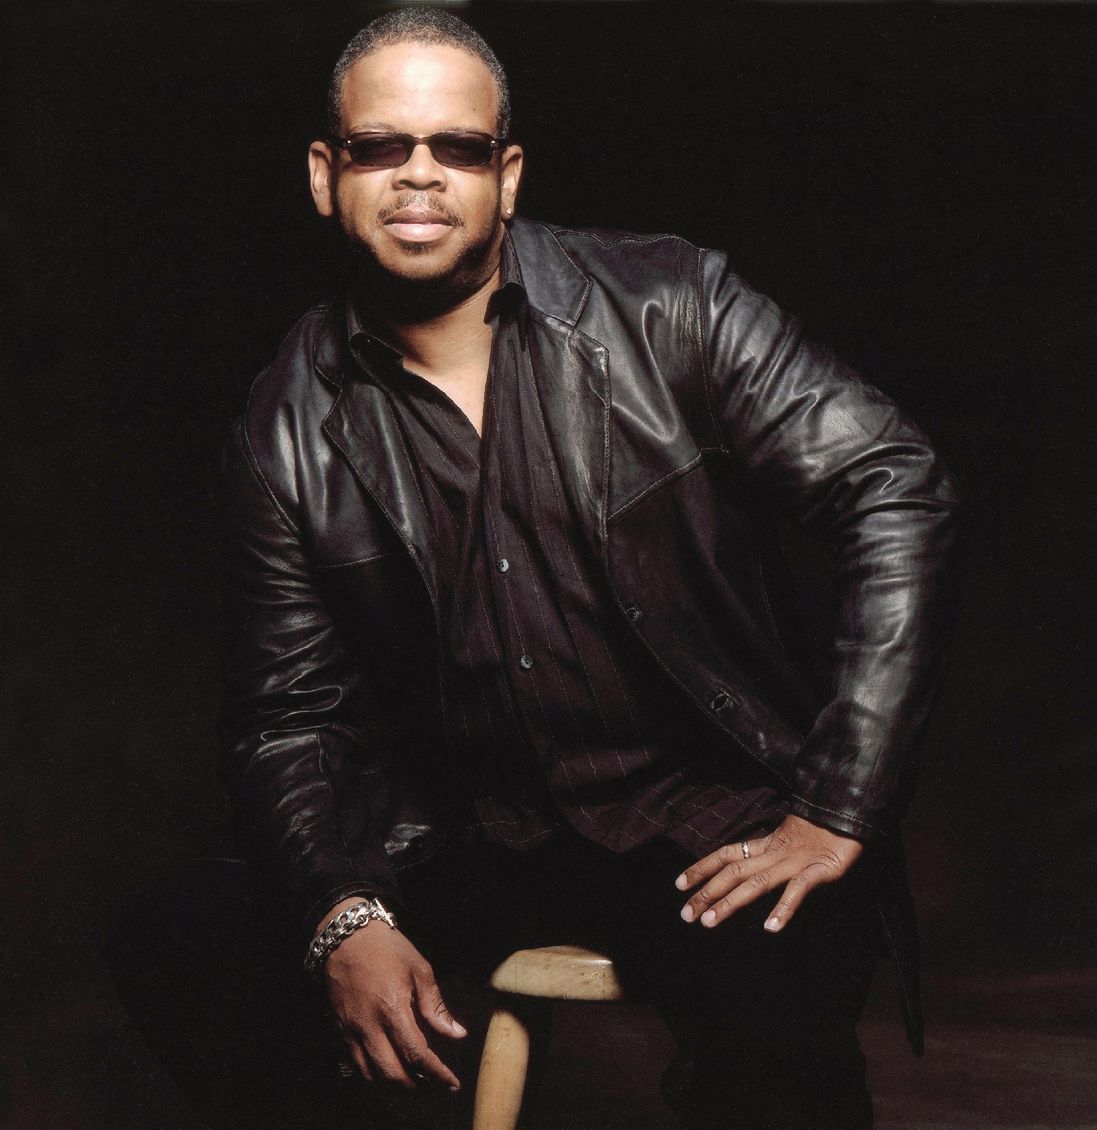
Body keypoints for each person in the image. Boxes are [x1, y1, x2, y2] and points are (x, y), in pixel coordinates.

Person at [218, 9, 959, 1128]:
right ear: (327, 175)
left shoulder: (671, 304)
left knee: (780, 1012)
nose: (419, 174)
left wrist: (838, 803)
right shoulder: (284, 426)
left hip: (705, 816)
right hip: (472, 835)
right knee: (187, 929)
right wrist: (342, 914)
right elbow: (286, 716)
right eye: (380, 146)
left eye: (458, 147)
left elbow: (894, 481)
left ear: (507, 176)